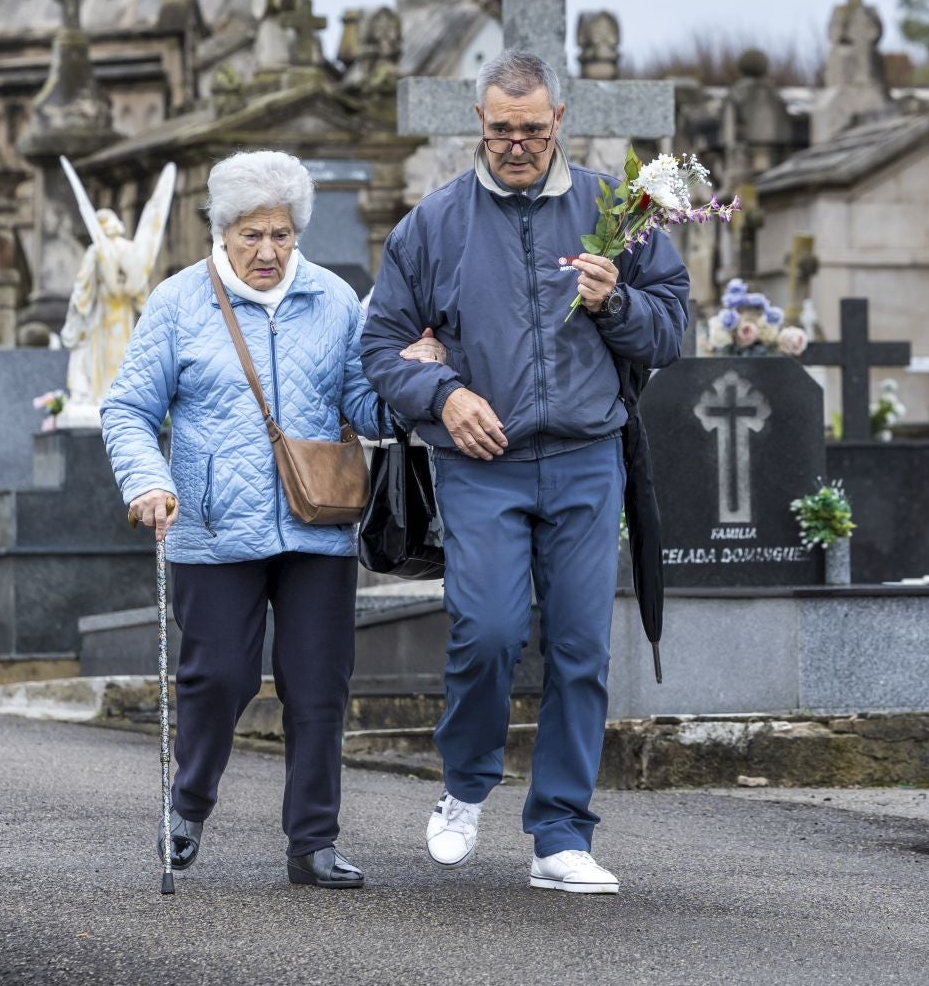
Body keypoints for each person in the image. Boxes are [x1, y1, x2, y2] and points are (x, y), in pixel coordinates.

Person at [362, 49, 690, 894]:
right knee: (491, 631)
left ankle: (560, 833)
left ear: (560, 123)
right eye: (502, 129)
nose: (517, 145)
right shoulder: (431, 226)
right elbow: (379, 348)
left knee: (581, 647)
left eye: (533, 130)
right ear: (479, 122)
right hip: (485, 461)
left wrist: (615, 301)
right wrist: (443, 394)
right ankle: (465, 787)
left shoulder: (613, 213)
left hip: (585, 460)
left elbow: (669, 330)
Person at [102, 150, 443, 890]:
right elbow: (128, 408)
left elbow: (363, 404)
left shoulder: (333, 299)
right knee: (218, 677)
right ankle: (189, 803)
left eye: (281, 235)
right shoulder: (179, 302)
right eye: (251, 234)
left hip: (318, 519)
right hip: (214, 527)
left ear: (298, 234)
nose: (266, 251)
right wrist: (149, 482)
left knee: (319, 684)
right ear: (222, 233)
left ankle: (313, 842)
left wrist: (408, 379)